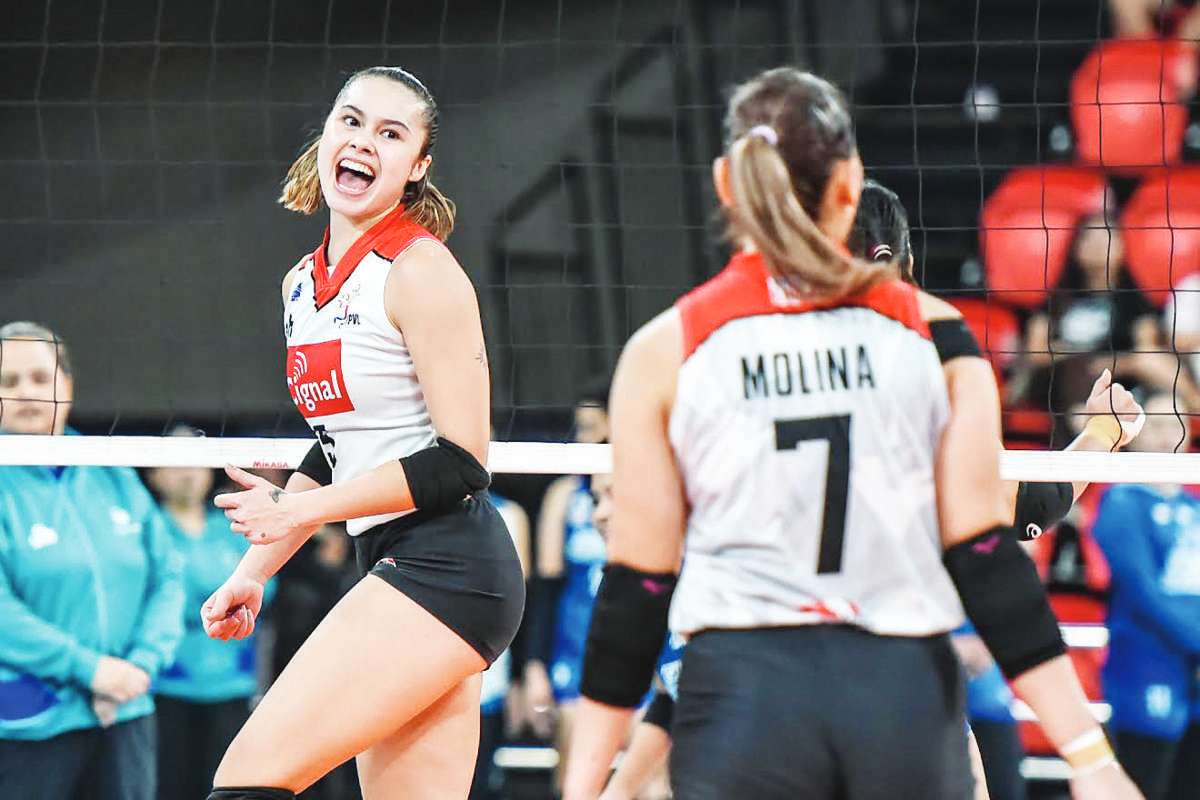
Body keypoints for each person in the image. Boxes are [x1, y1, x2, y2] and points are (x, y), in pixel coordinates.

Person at [561, 67, 1142, 800]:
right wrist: (1089, 756)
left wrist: (585, 789)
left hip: (745, 698)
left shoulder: (666, 347)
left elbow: (637, 590)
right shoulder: (935, 335)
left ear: (725, 185)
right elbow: (989, 550)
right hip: (896, 691)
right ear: (849, 182)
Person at [200, 66, 525, 800]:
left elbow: (464, 460)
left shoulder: (419, 269)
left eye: (391, 133)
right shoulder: (300, 285)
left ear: (417, 167)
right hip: (393, 561)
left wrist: (301, 511)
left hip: (447, 565)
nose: (364, 142)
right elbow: (335, 449)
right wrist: (251, 574)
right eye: (352, 122)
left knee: (247, 781)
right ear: (326, 136)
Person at [0, 321, 184, 800]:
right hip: (27, 723)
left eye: (40, 378)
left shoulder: (113, 470)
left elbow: (168, 574)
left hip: (127, 711)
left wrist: (139, 666)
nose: (26, 392)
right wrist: (91, 670)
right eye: (9, 381)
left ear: (67, 386)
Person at [145, 437, 276, 800]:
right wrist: (216, 598)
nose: (187, 472)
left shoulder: (232, 528)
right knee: (170, 786)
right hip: (166, 688)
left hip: (231, 684)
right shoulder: (147, 525)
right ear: (155, 475)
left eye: (195, 462)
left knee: (225, 786)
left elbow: (265, 589)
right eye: (176, 463)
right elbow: (159, 598)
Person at [1093, 392, 1200, 800]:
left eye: (1176, 425)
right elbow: (1145, 593)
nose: (1165, 436)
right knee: (1144, 785)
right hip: (1145, 664)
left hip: (1193, 672)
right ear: (1136, 435)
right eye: (1155, 425)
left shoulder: (1194, 508)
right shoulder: (1121, 501)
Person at [522, 377, 610, 780]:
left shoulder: (648, 487)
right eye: (578, 428)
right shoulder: (564, 495)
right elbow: (544, 587)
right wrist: (535, 663)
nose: (580, 439)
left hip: (641, 645)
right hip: (574, 651)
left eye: (589, 428)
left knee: (652, 778)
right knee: (576, 775)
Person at [472, 492, 531, 800]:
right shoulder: (410, 508)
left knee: (479, 783)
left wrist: (520, 677)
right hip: (422, 678)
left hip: (486, 679)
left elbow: (523, 604)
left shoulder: (509, 514)